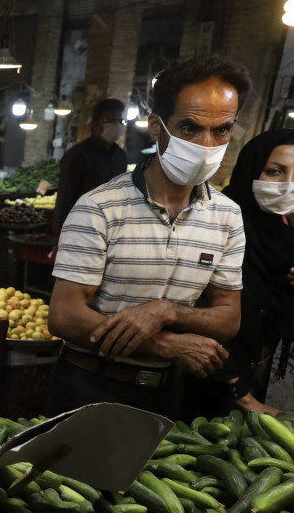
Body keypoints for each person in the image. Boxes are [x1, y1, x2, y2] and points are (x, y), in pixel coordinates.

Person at [47, 55, 250, 417]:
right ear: (157, 127)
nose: (206, 143)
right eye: (189, 127)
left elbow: (228, 318)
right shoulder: (99, 207)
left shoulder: (228, 217)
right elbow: (64, 315)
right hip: (90, 386)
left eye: (221, 130)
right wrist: (164, 344)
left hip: (167, 394)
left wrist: (164, 311)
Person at [195, 129, 294, 415]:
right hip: (206, 384)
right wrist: (239, 393)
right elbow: (197, 314)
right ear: (251, 168)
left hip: (252, 380)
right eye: (275, 172)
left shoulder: (281, 234)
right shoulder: (217, 226)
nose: (288, 185)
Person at [53, 99, 129, 243]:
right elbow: (65, 197)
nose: (116, 125)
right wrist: (59, 239)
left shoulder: (120, 156)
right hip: (82, 229)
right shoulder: (77, 155)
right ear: (94, 124)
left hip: (111, 231)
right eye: (110, 120)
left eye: (120, 121)